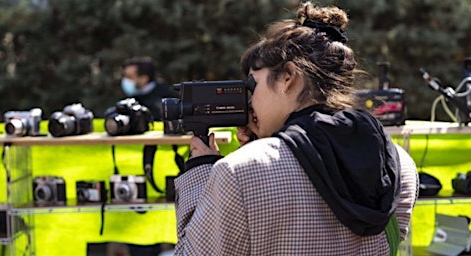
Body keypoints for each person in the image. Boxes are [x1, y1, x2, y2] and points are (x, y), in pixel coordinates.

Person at [174, 2, 419, 255]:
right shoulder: (399, 164)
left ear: (287, 77)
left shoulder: (239, 171)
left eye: (253, 85)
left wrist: (201, 172)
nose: (249, 102)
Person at [121, 56, 178, 121]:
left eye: (130, 77)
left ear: (144, 78)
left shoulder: (164, 101)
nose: (126, 80)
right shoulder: (131, 99)